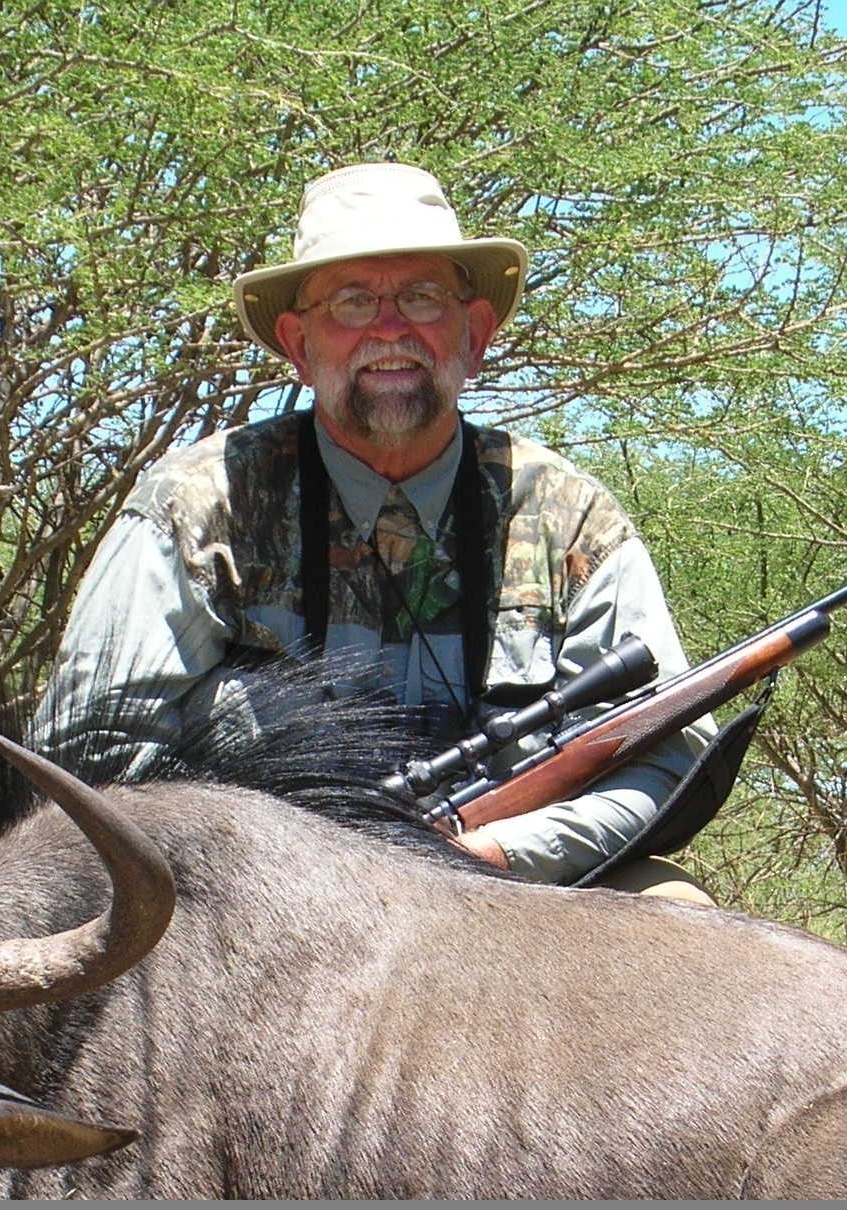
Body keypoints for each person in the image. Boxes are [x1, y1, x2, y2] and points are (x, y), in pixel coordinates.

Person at [35, 162, 713, 897]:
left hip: (522, 896)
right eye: (352, 301)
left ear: (475, 333)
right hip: (256, 903)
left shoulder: (571, 515)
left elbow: (663, 754)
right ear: (298, 345)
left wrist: (497, 854)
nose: (390, 328)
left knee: (682, 913)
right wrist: (280, 866)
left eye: (423, 297)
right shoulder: (199, 504)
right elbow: (87, 753)